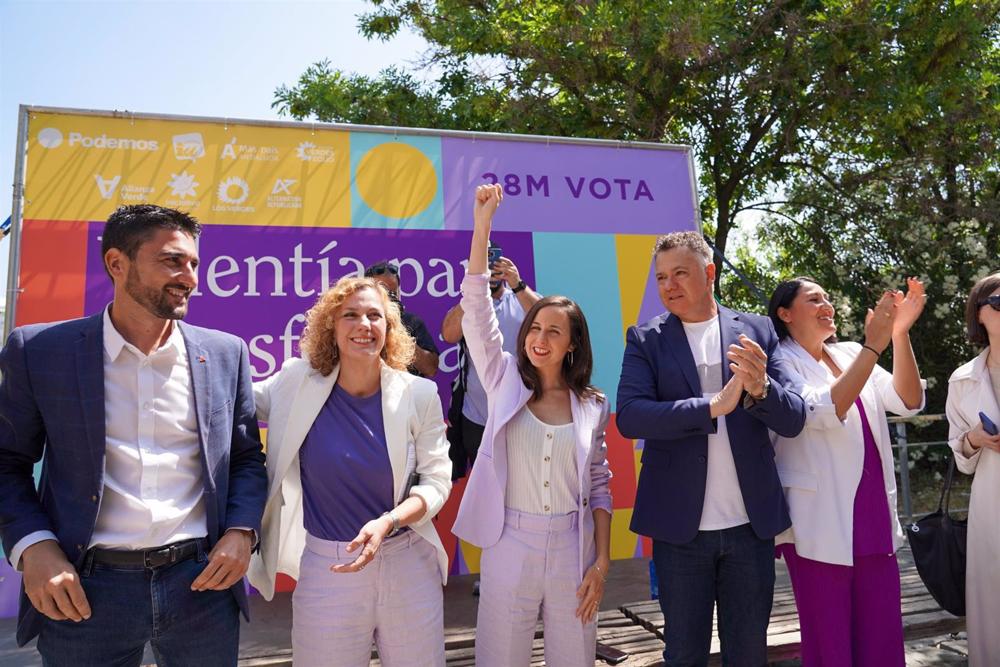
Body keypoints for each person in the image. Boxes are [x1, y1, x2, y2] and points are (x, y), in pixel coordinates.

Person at [0, 204, 267, 665]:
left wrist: (242, 531)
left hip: (203, 588)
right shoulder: (39, 351)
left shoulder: (225, 353)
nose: (189, 278)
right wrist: (34, 547)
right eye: (171, 261)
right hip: (85, 593)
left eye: (193, 264)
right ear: (116, 264)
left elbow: (245, 457)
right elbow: (6, 463)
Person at [616, 231, 806, 666]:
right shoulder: (646, 339)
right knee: (684, 655)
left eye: (680, 273)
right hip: (679, 531)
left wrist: (761, 390)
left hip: (749, 529)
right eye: (661, 277)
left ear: (709, 273)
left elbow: (793, 417)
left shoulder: (757, 331)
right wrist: (711, 407)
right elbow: (630, 415)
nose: (669, 285)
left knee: (748, 654)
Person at [248, 276, 452, 667]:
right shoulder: (295, 382)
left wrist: (389, 522)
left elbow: (436, 481)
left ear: (389, 328)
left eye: (375, 315)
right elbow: (234, 397)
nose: (364, 324)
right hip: (328, 567)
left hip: (407, 562)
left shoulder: (418, 394)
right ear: (332, 327)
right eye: (351, 315)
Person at [452, 184, 612, 666]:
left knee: (575, 657)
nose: (540, 339)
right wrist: (483, 226)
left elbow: (601, 485)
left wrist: (601, 563)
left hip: (573, 547)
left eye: (554, 331)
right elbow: (476, 308)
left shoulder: (593, 404)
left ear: (572, 345)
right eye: (534, 329)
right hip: (508, 542)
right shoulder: (502, 379)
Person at [768, 277, 926, 666]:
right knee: (831, 641)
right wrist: (874, 346)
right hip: (817, 522)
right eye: (814, 299)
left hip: (872, 515)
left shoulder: (852, 352)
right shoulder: (780, 361)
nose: (827, 305)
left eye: (828, 298)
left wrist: (899, 334)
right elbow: (821, 410)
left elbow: (909, 401)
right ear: (784, 314)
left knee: (882, 634)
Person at [441, 239, 541, 477]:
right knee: (485, 488)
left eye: (493, 260)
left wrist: (517, 284)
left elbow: (548, 317)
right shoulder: (468, 304)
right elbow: (448, 334)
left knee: (525, 484)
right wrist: (473, 289)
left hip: (523, 414)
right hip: (477, 417)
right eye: (482, 263)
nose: (490, 268)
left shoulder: (521, 298)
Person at [945, 271, 1000, 666]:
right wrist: (975, 439)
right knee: (992, 606)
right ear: (979, 314)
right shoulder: (963, 380)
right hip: (991, 504)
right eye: (998, 303)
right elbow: (960, 454)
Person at [365, 260, 441, 378]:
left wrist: (398, 328)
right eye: (383, 292)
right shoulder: (359, 323)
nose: (389, 297)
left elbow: (430, 369)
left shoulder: (411, 322)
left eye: (392, 292)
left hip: (406, 392)